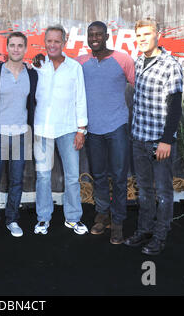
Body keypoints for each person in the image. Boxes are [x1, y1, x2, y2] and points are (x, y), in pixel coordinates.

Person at [124, 18, 183, 255]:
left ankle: (160, 235)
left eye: (147, 34)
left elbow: (175, 106)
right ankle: (145, 229)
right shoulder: (137, 62)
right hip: (138, 138)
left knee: (164, 192)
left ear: (158, 35)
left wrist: (166, 140)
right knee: (145, 190)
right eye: (139, 35)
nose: (142, 39)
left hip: (160, 142)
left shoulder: (170, 64)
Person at [75, 21, 135, 244]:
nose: (95, 37)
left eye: (99, 34)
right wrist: (40, 61)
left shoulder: (123, 59)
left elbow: (139, 86)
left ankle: (118, 222)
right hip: (94, 130)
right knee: (99, 175)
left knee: (119, 177)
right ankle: (102, 216)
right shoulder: (81, 62)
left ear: (107, 36)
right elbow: (60, 71)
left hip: (118, 127)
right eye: (91, 34)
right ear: (87, 37)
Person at [32, 24, 88, 235]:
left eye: (57, 41)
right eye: (49, 41)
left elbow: (80, 99)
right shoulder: (37, 65)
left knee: (72, 176)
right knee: (43, 177)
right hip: (42, 129)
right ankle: (43, 218)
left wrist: (81, 130)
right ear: (44, 42)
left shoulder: (74, 68)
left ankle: (73, 218)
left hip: (68, 128)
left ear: (64, 43)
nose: (53, 44)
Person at [0, 32, 38, 238]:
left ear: (25, 49)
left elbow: (33, 103)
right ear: (7, 48)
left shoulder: (32, 74)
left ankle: (12, 219)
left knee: (16, 180)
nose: (16, 49)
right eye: (12, 45)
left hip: (21, 135)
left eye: (20, 45)